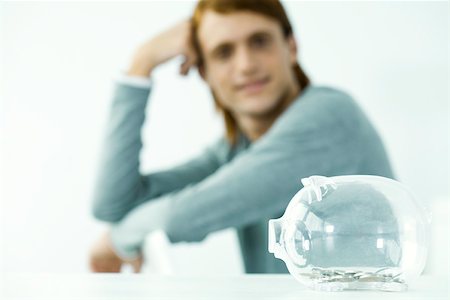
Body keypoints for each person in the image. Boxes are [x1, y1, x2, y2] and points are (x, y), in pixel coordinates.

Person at [89, 0, 394, 274]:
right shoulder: (236, 150)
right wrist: (141, 63)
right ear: (204, 71)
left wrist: (116, 240)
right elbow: (112, 204)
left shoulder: (330, 117)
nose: (246, 65)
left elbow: (181, 218)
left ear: (292, 47)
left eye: (259, 42)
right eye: (224, 52)